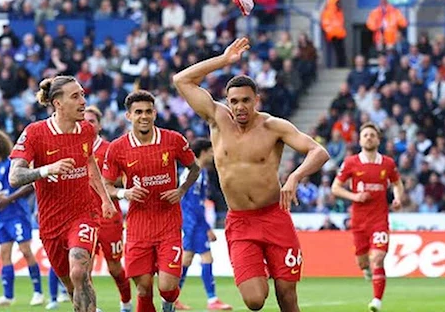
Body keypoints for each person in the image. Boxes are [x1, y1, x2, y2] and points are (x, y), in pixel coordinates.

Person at [173, 37, 329, 312]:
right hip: (240, 222)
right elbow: (181, 80)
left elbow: (319, 151)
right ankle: (261, 267)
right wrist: (224, 60)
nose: (240, 107)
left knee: (287, 295)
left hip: (274, 216)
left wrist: (294, 177)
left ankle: (273, 268)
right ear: (227, 101)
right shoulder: (217, 119)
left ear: (257, 99)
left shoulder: (273, 126)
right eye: (234, 101)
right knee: (255, 300)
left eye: (246, 100)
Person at [8, 75, 117, 312]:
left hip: (84, 213)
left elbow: (90, 164)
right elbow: (14, 177)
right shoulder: (35, 133)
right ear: (58, 103)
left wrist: (105, 199)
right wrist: (47, 169)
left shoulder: (86, 130)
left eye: (83, 95)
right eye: (75, 96)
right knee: (70, 284)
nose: (83, 101)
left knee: (79, 272)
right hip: (51, 222)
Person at [102, 90, 201, 312]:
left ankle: (169, 304)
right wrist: (124, 193)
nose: (144, 116)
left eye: (148, 111)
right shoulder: (117, 148)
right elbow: (106, 186)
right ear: (128, 116)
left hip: (168, 223)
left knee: (167, 287)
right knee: (144, 288)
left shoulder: (173, 140)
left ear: (155, 113)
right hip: (138, 226)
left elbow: (194, 168)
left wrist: (181, 190)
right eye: (138, 112)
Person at [330, 122, 406, 312]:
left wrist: (397, 198)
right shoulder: (351, 162)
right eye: (365, 135)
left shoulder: (388, 163)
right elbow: (335, 188)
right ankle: (366, 270)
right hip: (358, 221)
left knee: (378, 258)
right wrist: (354, 196)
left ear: (378, 140)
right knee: (363, 262)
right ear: (360, 140)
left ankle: (377, 301)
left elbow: (397, 184)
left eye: (372, 135)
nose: (369, 138)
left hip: (379, 220)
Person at [0, 129, 44, 307]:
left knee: (25, 250)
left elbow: (30, 185)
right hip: (2, 216)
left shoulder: (12, 163)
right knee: (5, 253)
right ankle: (8, 296)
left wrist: (8, 199)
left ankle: (38, 292)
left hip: (17, 214)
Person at [174, 138, 233, 311]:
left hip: (191, 221)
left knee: (188, 258)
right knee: (206, 257)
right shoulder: (195, 172)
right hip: (193, 222)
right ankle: (212, 299)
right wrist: (206, 228)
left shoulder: (199, 171)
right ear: (204, 152)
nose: (213, 155)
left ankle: (173, 297)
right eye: (211, 151)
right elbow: (193, 203)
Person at [84, 106, 133, 312]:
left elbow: (123, 181)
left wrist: (111, 187)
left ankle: (126, 303)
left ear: (99, 125)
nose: (87, 124)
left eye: (91, 121)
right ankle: (91, 308)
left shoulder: (110, 149)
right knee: (83, 269)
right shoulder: (73, 149)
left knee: (114, 267)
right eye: (83, 121)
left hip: (108, 216)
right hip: (84, 217)